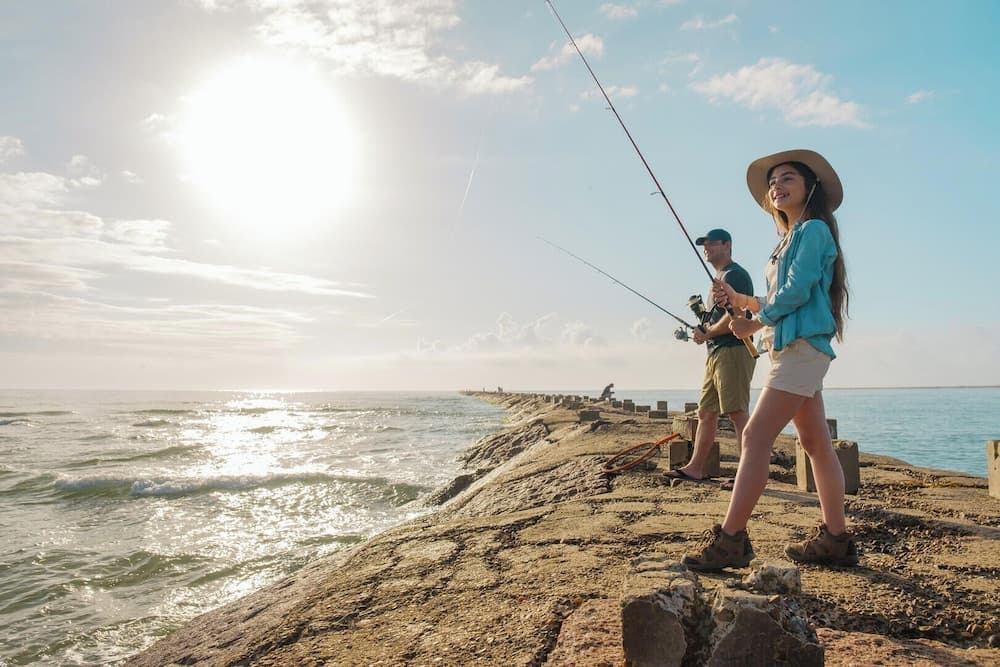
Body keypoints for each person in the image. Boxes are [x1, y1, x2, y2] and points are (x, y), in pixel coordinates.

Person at [682, 149, 857, 570]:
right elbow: (774, 301)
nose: (777, 186)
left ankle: (731, 541)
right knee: (816, 444)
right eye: (773, 182)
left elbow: (794, 294)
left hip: (800, 350)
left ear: (809, 188)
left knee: (755, 438)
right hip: (796, 347)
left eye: (788, 179)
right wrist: (740, 306)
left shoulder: (813, 230)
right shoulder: (786, 241)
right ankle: (836, 539)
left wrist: (755, 319)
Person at [663, 229, 755, 487]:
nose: (707, 247)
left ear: (728, 244)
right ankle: (694, 468)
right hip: (716, 351)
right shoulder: (718, 278)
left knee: (737, 413)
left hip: (734, 350)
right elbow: (715, 319)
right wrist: (703, 332)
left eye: (712, 243)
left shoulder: (735, 274)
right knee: (706, 413)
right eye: (704, 244)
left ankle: (746, 475)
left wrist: (710, 332)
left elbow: (740, 315)